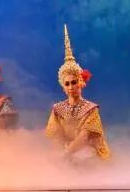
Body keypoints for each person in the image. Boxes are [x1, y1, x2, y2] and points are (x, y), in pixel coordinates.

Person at [45, 25, 110, 162]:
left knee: (80, 159)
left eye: (74, 82)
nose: (71, 87)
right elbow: (56, 137)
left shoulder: (91, 109)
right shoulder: (57, 110)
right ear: (63, 87)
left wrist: (66, 154)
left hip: (88, 151)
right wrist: (59, 154)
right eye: (67, 84)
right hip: (67, 150)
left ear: (80, 82)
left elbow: (84, 137)